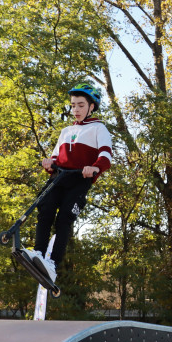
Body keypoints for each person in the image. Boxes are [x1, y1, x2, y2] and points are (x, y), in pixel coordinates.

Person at [23, 82, 113, 285]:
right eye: (73, 105)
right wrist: (48, 163)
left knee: (64, 218)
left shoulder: (99, 128)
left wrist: (95, 167)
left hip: (79, 179)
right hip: (59, 178)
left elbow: (106, 156)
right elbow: (55, 159)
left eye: (81, 105)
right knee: (44, 210)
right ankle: (38, 253)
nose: (76, 110)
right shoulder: (66, 131)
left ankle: (52, 264)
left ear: (91, 107)